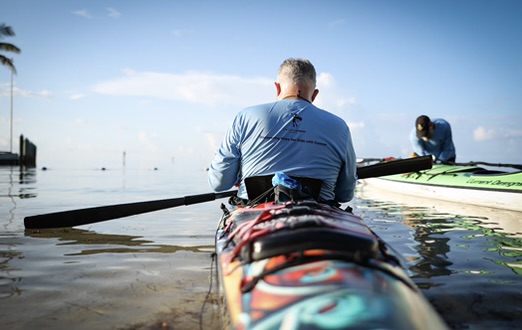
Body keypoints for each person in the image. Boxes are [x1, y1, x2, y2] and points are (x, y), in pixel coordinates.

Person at [208, 58, 357, 204]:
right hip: (318, 217)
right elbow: (344, 195)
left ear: (277, 88)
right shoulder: (340, 127)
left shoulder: (245, 116)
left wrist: (237, 176)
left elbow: (219, 183)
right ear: (315, 94)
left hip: (254, 214)